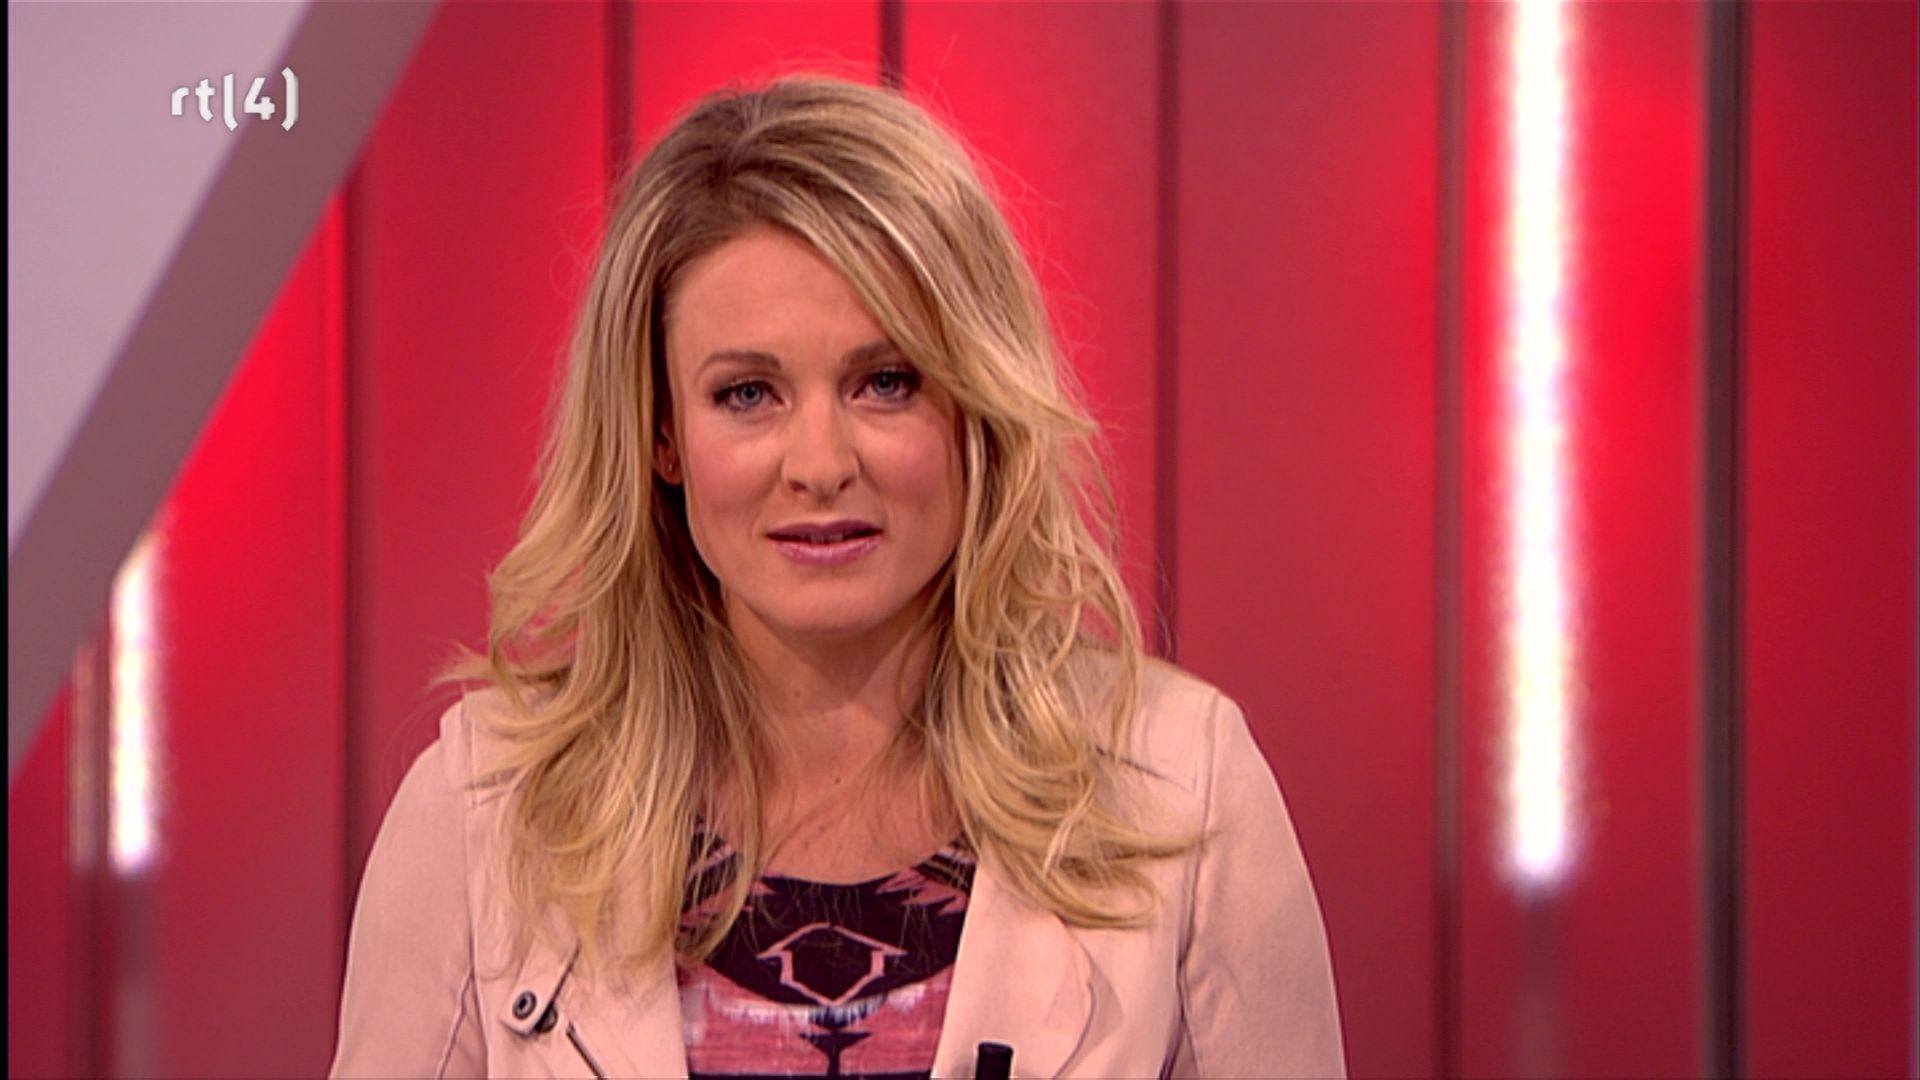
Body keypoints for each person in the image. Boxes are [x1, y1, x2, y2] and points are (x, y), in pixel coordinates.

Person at [329, 75, 1344, 1079]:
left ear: (977, 407)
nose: (819, 464)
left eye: (885, 382)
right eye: (748, 393)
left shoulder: (1179, 789)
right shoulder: (486, 815)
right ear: (662, 434)